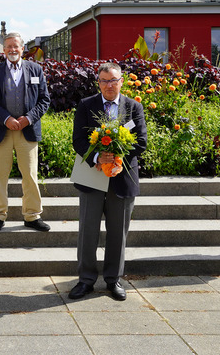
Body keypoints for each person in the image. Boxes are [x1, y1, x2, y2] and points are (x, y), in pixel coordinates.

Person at [70, 62, 147, 301]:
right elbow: (78, 140)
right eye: (104, 81)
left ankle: (114, 280)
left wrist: (117, 155)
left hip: (122, 178)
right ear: (99, 83)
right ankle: (85, 281)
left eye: (114, 80)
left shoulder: (133, 107)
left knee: (117, 233)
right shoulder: (86, 105)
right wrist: (96, 157)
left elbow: (141, 141)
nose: (109, 85)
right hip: (92, 176)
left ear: (121, 81)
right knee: (88, 231)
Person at [0, 32, 51, 232]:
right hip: (0, 130)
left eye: (16, 46)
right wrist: (7, 119)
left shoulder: (36, 70)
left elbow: (44, 100)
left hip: (27, 131)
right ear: (3, 50)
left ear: (22, 49)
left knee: (30, 174)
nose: (12, 50)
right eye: (8, 46)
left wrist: (28, 118)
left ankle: (32, 216)